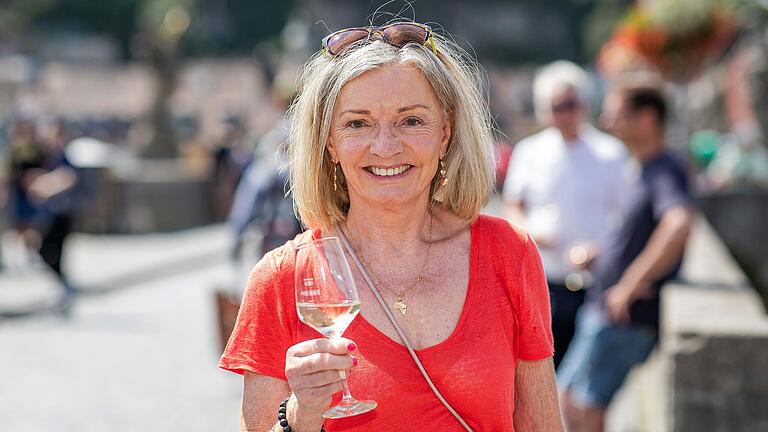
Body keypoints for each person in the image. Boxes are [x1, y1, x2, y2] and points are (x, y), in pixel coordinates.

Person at [219, 22, 563, 431]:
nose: (385, 146)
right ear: (329, 142)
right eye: (357, 123)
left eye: (411, 121)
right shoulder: (281, 279)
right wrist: (298, 415)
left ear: (445, 133)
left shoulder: (508, 253)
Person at [558, 83, 694, 432]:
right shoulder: (645, 168)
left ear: (647, 119)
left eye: (617, 113)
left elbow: (678, 225)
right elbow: (640, 235)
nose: (607, 120)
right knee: (569, 398)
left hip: (624, 314)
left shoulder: (664, 169)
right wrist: (601, 255)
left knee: (583, 405)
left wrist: (631, 284)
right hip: (607, 307)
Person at [503, 60, 627, 369]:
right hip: (542, 280)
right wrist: (529, 231)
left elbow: (625, 217)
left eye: (570, 105)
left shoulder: (610, 153)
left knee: (580, 382)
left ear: (584, 105)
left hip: (593, 282)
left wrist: (599, 250)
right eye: (556, 107)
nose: (563, 114)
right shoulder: (529, 151)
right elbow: (513, 204)